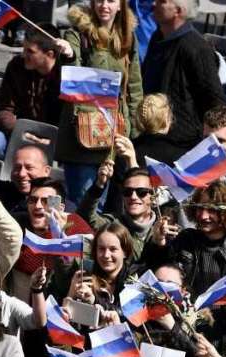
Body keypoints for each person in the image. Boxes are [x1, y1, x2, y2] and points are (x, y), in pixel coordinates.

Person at [54, 0, 144, 205]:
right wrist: (69, 55)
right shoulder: (78, 33)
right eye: (99, 0)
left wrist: (134, 129)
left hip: (115, 135)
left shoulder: (128, 36)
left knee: (109, 208)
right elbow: (72, 78)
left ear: (121, 5)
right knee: (84, 205)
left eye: (111, 1)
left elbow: (134, 85)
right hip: (82, 137)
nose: (104, 5)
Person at [139, 0, 225, 149]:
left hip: (180, 143)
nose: (153, 4)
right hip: (151, 132)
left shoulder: (197, 49)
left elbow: (216, 102)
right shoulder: (158, 37)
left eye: (162, 1)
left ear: (178, 11)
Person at [0, 26, 65, 152]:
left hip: (54, 141)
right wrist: (22, 133)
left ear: (49, 54)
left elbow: (68, 122)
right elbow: (4, 108)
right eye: (23, 49)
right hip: (18, 133)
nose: (23, 55)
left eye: (30, 51)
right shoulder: (16, 66)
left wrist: (52, 140)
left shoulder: (65, 76)